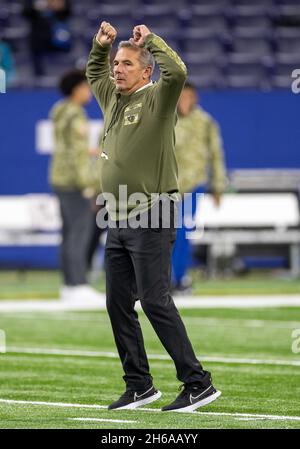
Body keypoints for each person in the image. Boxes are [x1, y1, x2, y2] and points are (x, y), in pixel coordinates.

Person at [86, 21, 221, 412]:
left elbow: (178, 71)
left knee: (156, 300)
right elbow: (95, 70)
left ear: (146, 71)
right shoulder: (112, 98)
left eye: (126, 64)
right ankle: (140, 385)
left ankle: (198, 383)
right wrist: (100, 47)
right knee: (117, 303)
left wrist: (152, 42)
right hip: (118, 216)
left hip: (153, 211)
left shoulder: (159, 100)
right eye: (117, 64)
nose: (117, 69)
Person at [49, 69, 104, 303]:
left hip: (60, 178)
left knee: (69, 233)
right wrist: (88, 185)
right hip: (73, 181)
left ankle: (69, 284)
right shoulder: (75, 115)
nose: (89, 92)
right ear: (77, 89)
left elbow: (70, 148)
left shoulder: (60, 110)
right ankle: (78, 284)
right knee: (79, 233)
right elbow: (76, 155)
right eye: (86, 87)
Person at [172, 82, 227, 292]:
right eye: (181, 97)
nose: (185, 101)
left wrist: (218, 186)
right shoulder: (166, 119)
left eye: (189, 97)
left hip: (193, 186)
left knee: (184, 232)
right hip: (167, 187)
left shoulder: (204, 122)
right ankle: (164, 279)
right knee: (166, 234)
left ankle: (179, 277)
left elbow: (216, 154)